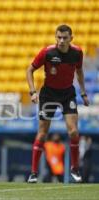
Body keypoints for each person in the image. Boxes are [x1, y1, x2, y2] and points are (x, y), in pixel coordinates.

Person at [26, 24, 90, 183]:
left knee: (74, 132)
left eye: (65, 38)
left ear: (71, 39)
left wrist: (83, 92)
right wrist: (33, 92)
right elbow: (29, 70)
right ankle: (33, 172)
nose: (61, 41)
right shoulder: (47, 52)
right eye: (58, 37)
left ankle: (75, 168)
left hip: (68, 93)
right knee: (42, 133)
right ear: (55, 37)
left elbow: (80, 71)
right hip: (48, 94)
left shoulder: (77, 53)